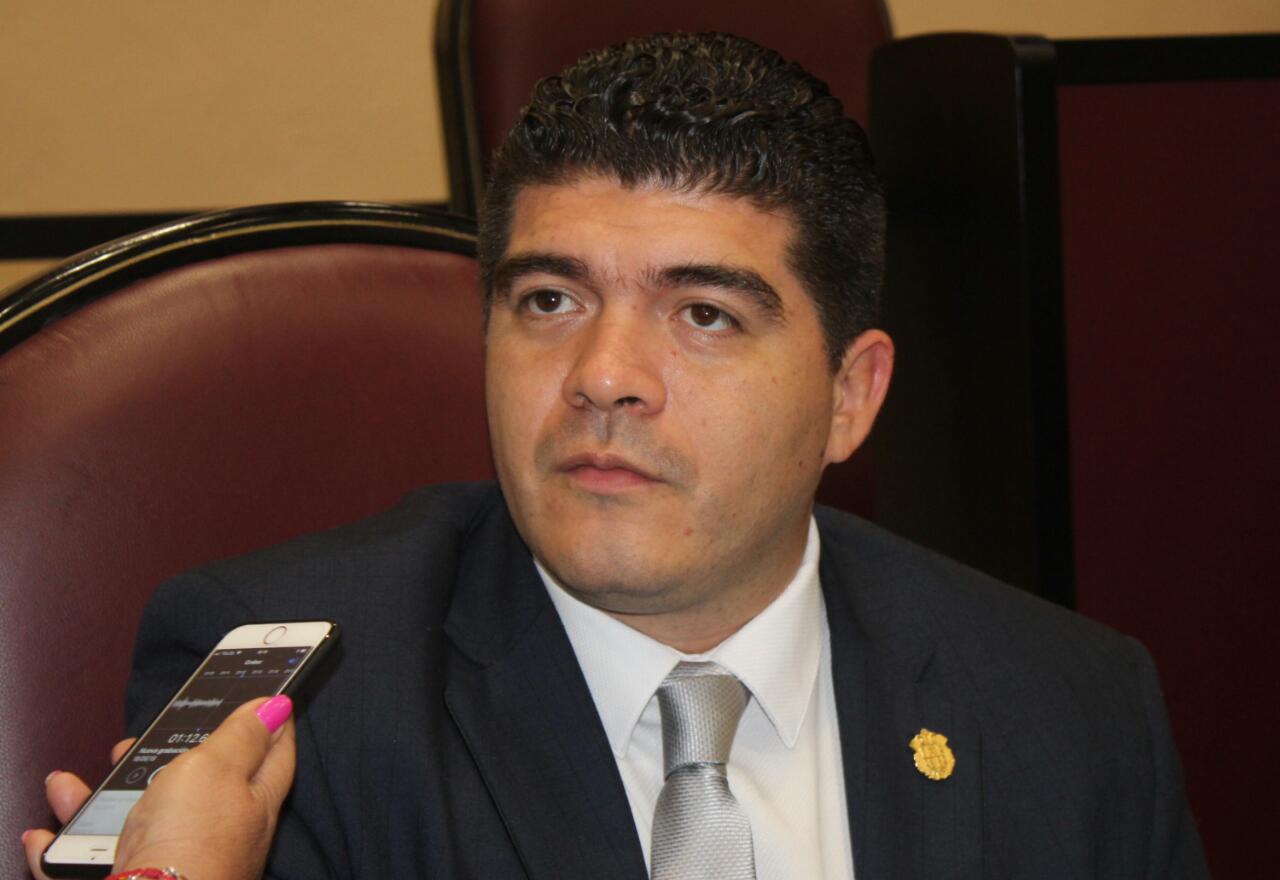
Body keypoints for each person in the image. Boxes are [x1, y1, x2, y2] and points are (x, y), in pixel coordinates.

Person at [26, 31, 1209, 879]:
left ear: (849, 397)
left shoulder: (1067, 710)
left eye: (703, 314)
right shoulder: (302, 698)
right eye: (548, 300)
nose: (601, 374)